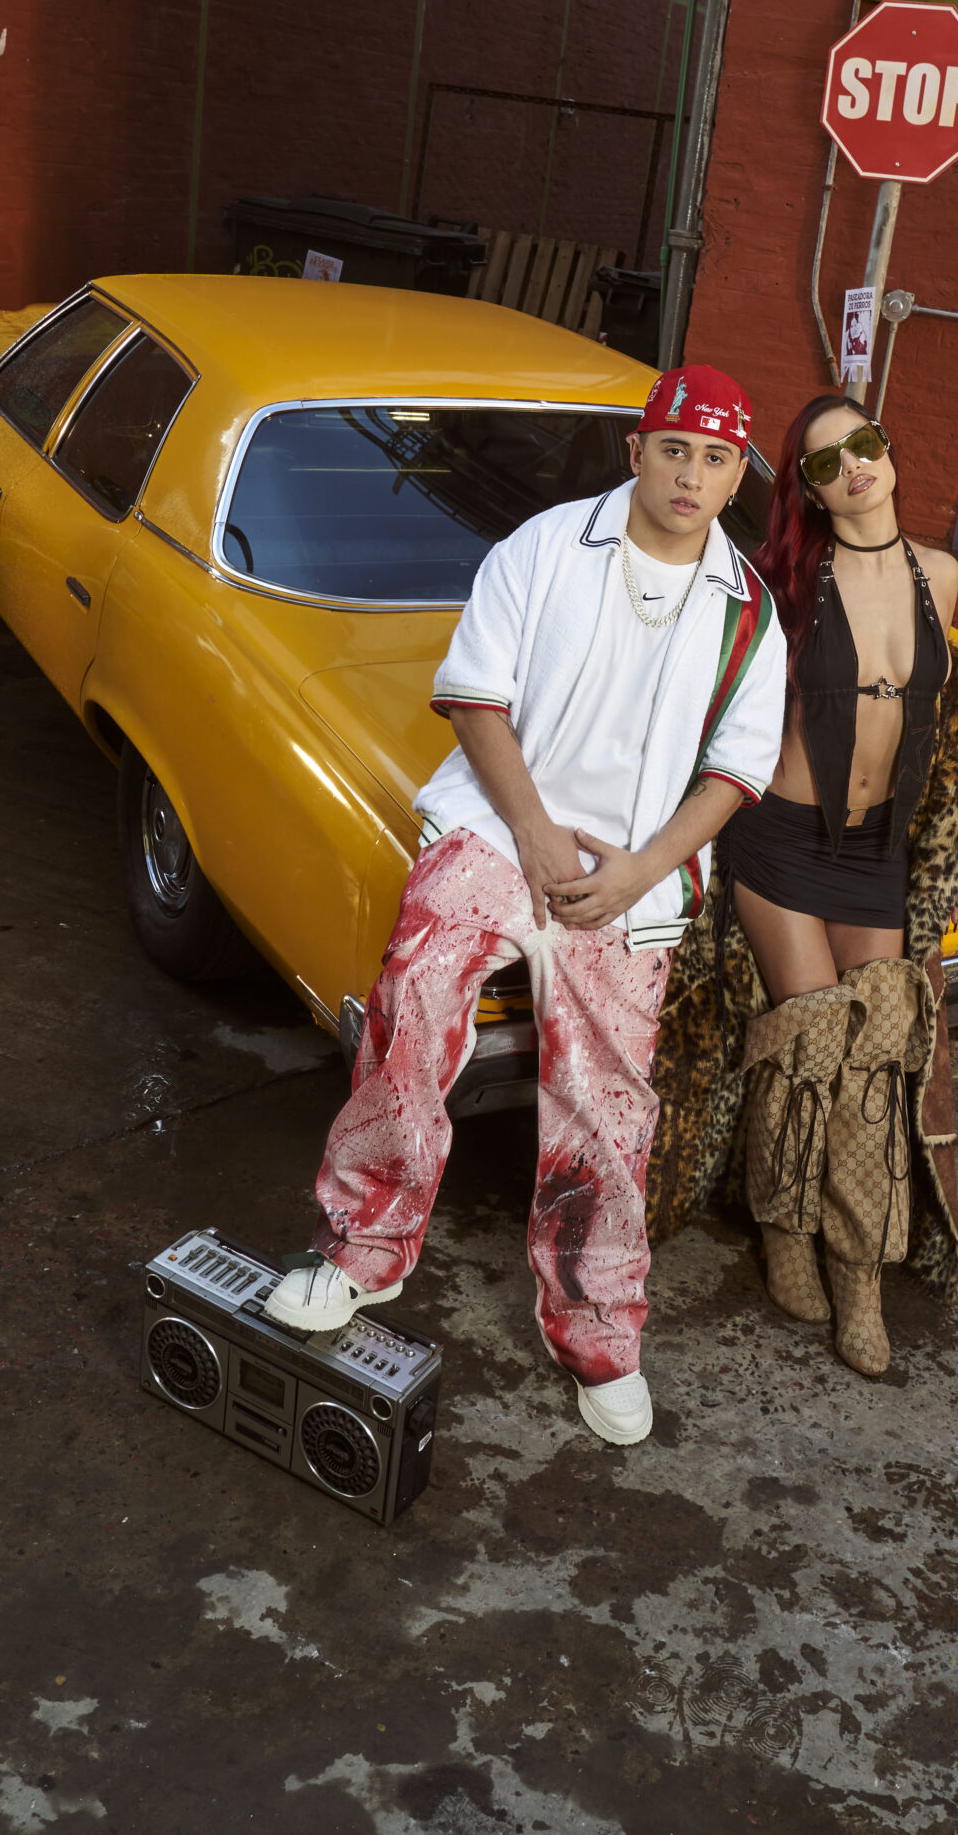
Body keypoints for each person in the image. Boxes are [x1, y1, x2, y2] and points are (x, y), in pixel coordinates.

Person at [265, 365, 786, 1448]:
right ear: (637, 451)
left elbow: (734, 773)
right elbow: (477, 702)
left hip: (629, 869)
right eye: (675, 449)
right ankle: (364, 1246)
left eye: (716, 458)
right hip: (503, 831)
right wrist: (537, 832)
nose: (691, 475)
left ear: (737, 477)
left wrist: (642, 871)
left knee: (606, 1097)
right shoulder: (545, 547)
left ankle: (597, 1323)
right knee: (415, 996)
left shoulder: (749, 612)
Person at [644, 393, 958, 1379]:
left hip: (875, 852)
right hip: (782, 840)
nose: (853, 467)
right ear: (804, 489)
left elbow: (942, 723)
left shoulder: (940, 576)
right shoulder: (784, 582)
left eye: (864, 445)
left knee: (875, 1058)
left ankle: (859, 1269)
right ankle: (789, 1236)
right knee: (808, 1045)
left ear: (889, 452)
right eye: (823, 462)